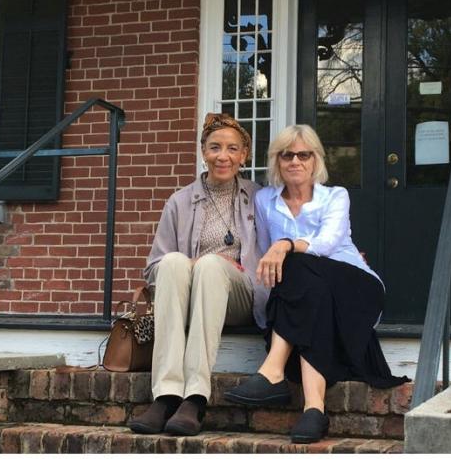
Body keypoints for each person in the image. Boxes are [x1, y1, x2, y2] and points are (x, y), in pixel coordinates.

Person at [224, 124, 408, 444]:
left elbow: (326, 243)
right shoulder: (265, 200)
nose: (295, 161)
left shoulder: (335, 196)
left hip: (355, 286)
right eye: (287, 155)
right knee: (307, 286)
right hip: (310, 293)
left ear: (316, 160)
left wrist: (285, 244)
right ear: (277, 161)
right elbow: (266, 257)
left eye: (304, 154)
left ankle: (273, 370)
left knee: (298, 262)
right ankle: (313, 409)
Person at [127, 113, 269, 436]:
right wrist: (185, 266)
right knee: (175, 262)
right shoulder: (179, 201)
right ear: (203, 151)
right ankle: (166, 396)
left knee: (210, 264)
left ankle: (195, 397)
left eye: (232, 149)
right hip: (195, 295)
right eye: (215, 147)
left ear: (244, 155)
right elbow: (153, 270)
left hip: (240, 295)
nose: (223, 156)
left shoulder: (260, 199)